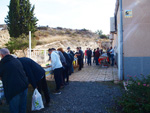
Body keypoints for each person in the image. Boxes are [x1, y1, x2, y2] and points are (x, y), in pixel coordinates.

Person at [0, 48, 28, 113]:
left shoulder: (3, 63)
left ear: (1, 55)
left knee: (14, 109)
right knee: (22, 108)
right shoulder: (16, 60)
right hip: (24, 86)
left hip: (14, 90)